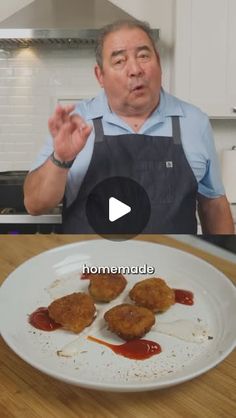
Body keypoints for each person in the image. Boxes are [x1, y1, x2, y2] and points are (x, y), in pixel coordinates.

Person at [24, 19, 234, 234]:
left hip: (169, 267)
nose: (135, 69)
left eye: (144, 56)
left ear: (159, 62)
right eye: (119, 61)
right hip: (92, 266)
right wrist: (61, 159)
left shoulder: (194, 122)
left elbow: (214, 206)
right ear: (100, 75)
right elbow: (35, 205)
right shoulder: (76, 123)